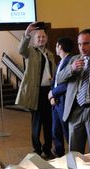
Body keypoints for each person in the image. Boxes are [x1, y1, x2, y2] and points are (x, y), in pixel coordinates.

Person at [16, 22, 56, 159]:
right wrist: (27, 32)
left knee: (48, 122)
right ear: (34, 39)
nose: (41, 39)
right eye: (38, 37)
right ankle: (37, 149)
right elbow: (21, 50)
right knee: (36, 123)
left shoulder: (50, 54)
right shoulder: (30, 52)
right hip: (35, 92)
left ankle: (48, 148)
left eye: (43, 37)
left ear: (47, 38)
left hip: (48, 92)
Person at [48, 37, 73, 157]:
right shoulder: (60, 62)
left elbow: (68, 84)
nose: (55, 49)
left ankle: (73, 155)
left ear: (60, 47)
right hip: (56, 102)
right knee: (55, 130)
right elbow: (54, 81)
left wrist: (53, 93)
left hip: (64, 102)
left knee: (66, 131)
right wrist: (51, 96)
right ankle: (59, 154)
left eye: (56, 46)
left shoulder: (71, 61)